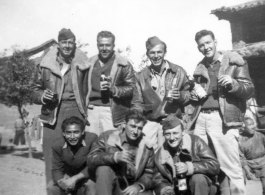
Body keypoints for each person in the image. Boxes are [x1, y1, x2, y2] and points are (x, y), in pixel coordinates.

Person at [188, 29, 254, 195]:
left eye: (208, 43)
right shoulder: (200, 67)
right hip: (201, 119)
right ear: (198, 48)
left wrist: (233, 83)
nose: (206, 47)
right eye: (201, 45)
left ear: (215, 42)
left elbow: (249, 89)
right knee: (203, 162)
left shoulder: (233, 63)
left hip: (223, 119)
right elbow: (198, 96)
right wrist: (194, 96)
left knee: (231, 167)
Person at [31, 28, 91, 186]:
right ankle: (53, 190)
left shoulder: (82, 65)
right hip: (52, 114)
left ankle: (75, 188)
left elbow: (88, 90)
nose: (67, 45)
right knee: (51, 155)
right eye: (64, 42)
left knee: (76, 155)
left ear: (75, 45)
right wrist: (42, 96)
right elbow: (34, 90)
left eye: (70, 43)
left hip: (75, 111)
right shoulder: (45, 66)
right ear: (58, 44)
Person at [132, 36, 190, 150]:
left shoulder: (178, 71)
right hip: (151, 121)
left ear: (165, 52)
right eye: (152, 52)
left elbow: (189, 94)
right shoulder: (141, 76)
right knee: (144, 150)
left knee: (175, 154)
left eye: (159, 52)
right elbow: (137, 102)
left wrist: (181, 96)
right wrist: (136, 118)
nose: (156, 56)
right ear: (147, 54)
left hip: (173, 120)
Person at [87, 110, 154, 195]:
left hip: (131, 187)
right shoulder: (107, 137)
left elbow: (150, 173)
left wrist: (138, 185)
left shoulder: (147, 146)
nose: (136, 131)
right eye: (132, 126)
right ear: (124, 124)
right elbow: (91, 158)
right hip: (110, 184)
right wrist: (114, 157)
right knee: (103, 169)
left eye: (139, 128)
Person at [153, 114, 220, 195]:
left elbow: (214, 165)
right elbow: (158, 179)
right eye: (168, 134)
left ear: (183, 132)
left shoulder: (196, 142)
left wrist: (189, 168)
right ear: (163, 135)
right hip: (177, 189)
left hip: (202, 188)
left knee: (197, 179)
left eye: (175, 133)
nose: (172, 138)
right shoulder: (160, 154)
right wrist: (165, 189)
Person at [85, 31, 135, 136]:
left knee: (110, 145)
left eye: (108, 45)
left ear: (113, 46)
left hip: (112, 111)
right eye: (101, 45)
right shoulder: (88, 63)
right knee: (91, 145)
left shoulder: (123, 64)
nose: (104, 48)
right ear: (97, 45)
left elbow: (131, 89)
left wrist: (114, 89)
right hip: (91, 110)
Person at [47, 116, 97, 195]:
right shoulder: (57, 145)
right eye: (69, 133)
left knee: (92, 185)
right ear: (64, 133)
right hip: (68, 177)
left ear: (83, 131)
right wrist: (63, 183)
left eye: (76, 132)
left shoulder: (92, 139)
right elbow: (56, 169)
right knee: (51, 186)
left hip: (86, 177)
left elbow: (93, 165)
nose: (72, 137)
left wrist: (75, 178)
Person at [239, 117, 265, 195]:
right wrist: (247, 171)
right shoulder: (240, 139)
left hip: (263, 161)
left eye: (253, 123)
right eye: (250, 125)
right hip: (248, 163)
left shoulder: (261, 136)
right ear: (243, 127)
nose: (253, 126)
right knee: (240, 175)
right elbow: (241, 158)